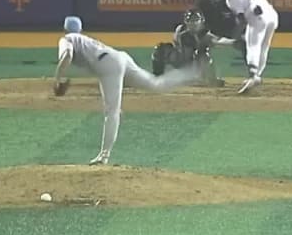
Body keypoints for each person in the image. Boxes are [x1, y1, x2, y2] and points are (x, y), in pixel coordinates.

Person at [52, 16, 203, 165]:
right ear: (81, 29)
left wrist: (57, 79)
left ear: (64, 29)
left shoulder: (66, 39)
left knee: (112, 111)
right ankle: (193, 71)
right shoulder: (84, 39)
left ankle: (104, 156)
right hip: (120, 57)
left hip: (108, 66)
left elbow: (67, 55)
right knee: (156, 84)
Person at [204, 0, 279, 94]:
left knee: (253, 46)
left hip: (257, 18)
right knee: (264, 47)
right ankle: (257, 76)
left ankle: (253, 75)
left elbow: (242, 20)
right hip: (271, 14)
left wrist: (236, 36)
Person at [151, 9, 234, 86]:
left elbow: (217, 40)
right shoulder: (181, 31)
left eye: (196, 20)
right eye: (190, 20)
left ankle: (211, 79)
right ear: (185, 21)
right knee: (160, 49)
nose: (193, 23)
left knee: (204, 54)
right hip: (181, 59)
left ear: (201, 21)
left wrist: (233, 42)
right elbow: (179, 46)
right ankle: (157, 77)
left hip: (195, 63)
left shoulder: (204, 34)